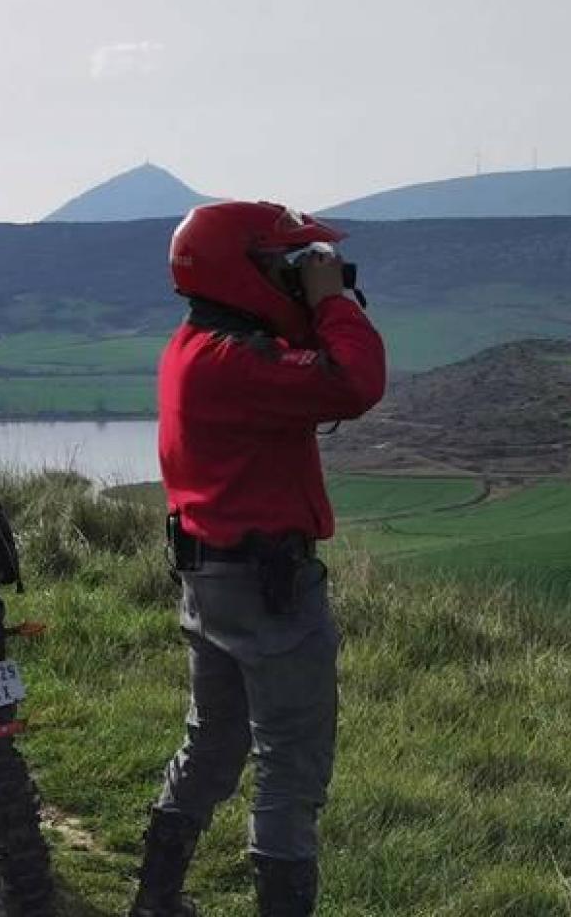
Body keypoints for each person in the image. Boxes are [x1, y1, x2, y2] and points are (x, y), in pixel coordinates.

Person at [128, 201, 385, 917]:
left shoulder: (192, 347)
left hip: (212, 579)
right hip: (269, 588)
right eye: (280, 266)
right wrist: (332, 301)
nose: (292, 279)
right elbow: (354, 383)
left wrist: (308, 300)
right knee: (290, 768)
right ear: (239, 274)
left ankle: (155, 900)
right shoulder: (237, 360)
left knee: (213, 742)